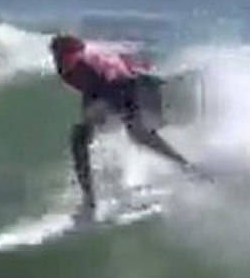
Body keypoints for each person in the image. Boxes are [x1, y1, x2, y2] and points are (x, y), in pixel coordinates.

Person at [50, 33, 203, 214]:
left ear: (73, 52)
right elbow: (112, 69)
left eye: (63, 55)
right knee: (135, 133)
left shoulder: (85, 63)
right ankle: (187, 167)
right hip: (133, 81)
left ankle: (188, 168)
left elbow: (109, 78)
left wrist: (93, 111)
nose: (59, 60)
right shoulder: (79, 60)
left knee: (132, 134)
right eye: (56, 55)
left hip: (124, 85)